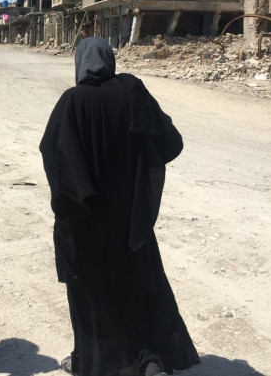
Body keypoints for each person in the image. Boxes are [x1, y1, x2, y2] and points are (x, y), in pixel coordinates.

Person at [39, 37, 200, 376]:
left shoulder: (73, 101)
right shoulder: (132, 92)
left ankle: (93, 361)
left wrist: (74, 207)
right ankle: (150, 358)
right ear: (110, 60)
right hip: (132, 222)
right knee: (138, 289)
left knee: (93, 298)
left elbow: (55, 157)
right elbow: (171, 143)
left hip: (88, 222)